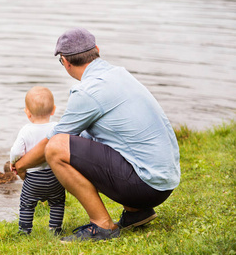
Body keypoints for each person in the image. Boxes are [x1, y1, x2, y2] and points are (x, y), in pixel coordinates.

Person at [14, 28, 181, 242]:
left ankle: (102, 225)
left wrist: (20, 165)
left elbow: (53, 141)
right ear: (97, 51)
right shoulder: (120, 74)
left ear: (65, 62)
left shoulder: (87, 92)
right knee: (84, 136)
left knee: (56, 147)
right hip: (164, 180)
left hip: (146, 185)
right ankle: (136, 212)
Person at [10, 86, 65, 235]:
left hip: (33, 179)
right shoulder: (56, 127)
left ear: (27, 112)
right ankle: (55, 230)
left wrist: (14, 162)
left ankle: (24, 231)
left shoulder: (26, 130)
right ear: (53, 110)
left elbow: (16, 151)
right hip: (55, 176)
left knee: (27, 204)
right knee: (58, 203)